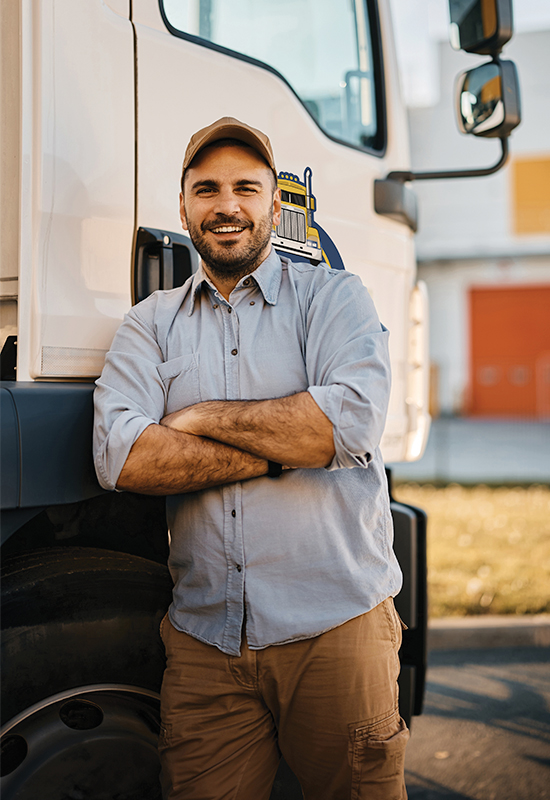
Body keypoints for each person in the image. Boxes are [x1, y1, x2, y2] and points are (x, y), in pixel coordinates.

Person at [93, 117, 409, 800]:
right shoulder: (149, 323)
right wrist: (278, 449)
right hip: (206, 645)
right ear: (183, 208)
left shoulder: (333, 297)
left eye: (246, 188)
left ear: (274, 202)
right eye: (206, 189)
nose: (226, 206)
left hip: (334, 632)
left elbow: (347, 423)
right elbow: (123, 458)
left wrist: (202, 417)